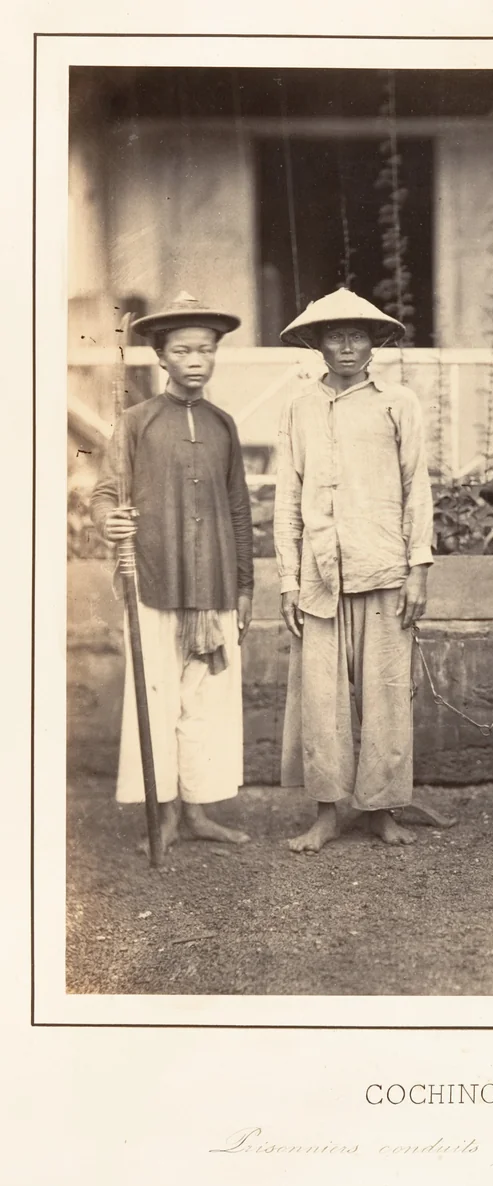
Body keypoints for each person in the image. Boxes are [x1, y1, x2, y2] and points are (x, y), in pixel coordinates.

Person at [91, 292, 255, 854]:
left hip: (213, 587)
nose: (195, 360)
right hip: (155, 581)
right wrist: (110, 521)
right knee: (157, 701)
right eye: (182, 349)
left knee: (206, 705)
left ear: (215, 356)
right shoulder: (137, 423)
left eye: (205, 350)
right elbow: (107, 494)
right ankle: (163, 816)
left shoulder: (223, 425)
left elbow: (238, 509)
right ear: (161, 355)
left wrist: (246, 585)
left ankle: (199, 812)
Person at [275, 288, 434, 852]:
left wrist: (418, 567)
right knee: (321, 699)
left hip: (384, 565)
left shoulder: (399, 403)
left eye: (358, 335)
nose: (347, 346)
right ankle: (326, 813)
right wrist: (289, 579)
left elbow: (418, 488)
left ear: (374, 343)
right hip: (320, 575)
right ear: (317, 344)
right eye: (335, 336)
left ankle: (383, 810)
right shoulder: (300, 406)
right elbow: (288, 493)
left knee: (388, 695)